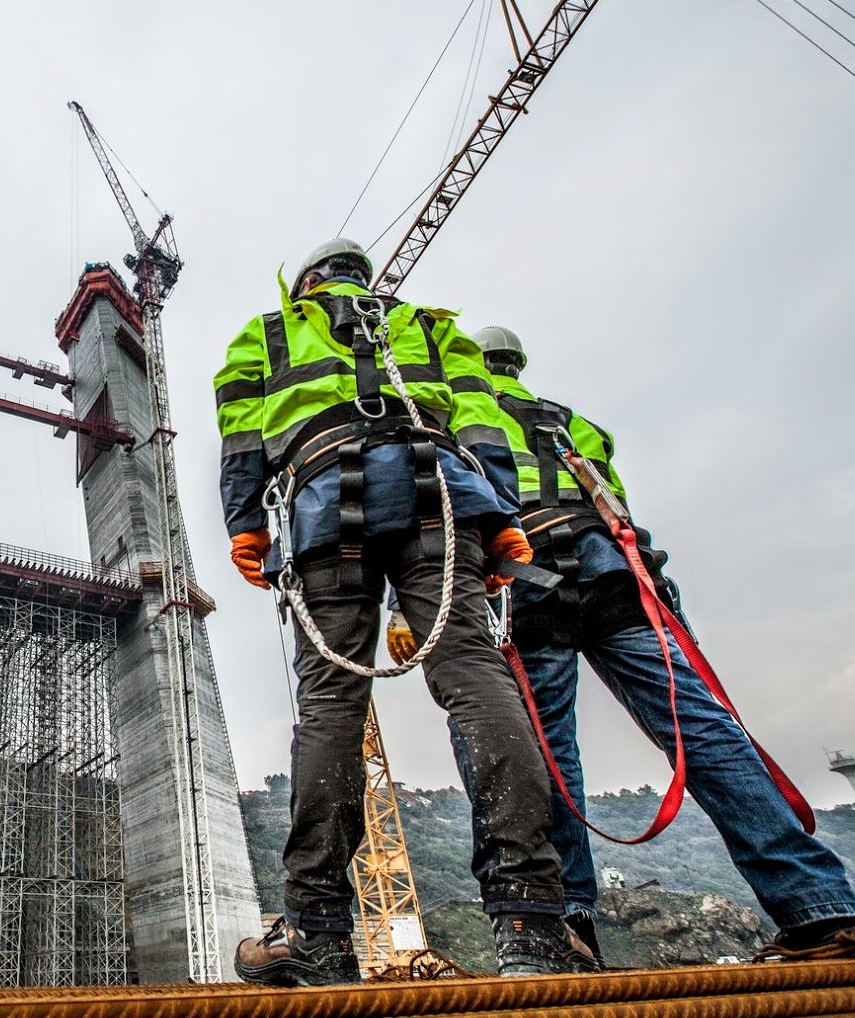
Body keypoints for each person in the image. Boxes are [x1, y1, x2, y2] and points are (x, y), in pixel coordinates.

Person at [214, 239, 596, 984]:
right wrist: (505, 514)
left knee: (329, 705)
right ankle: (531, 922)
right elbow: (482, 417)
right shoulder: (425, 325)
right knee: (477, 678)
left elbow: (241, 435)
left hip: (326, 506)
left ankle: (319, 933)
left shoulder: (266, 334)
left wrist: (245, 524)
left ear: (311, 285)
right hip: (441, 498)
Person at [434, 324, 855, 961]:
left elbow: (452, 504)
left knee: (543, 752)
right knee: (702, 729)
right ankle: (818, 909)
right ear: (517, 364)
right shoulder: (571, 422)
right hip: (614, 574)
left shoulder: (456, 410)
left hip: (524, 575)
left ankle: (567, 924)